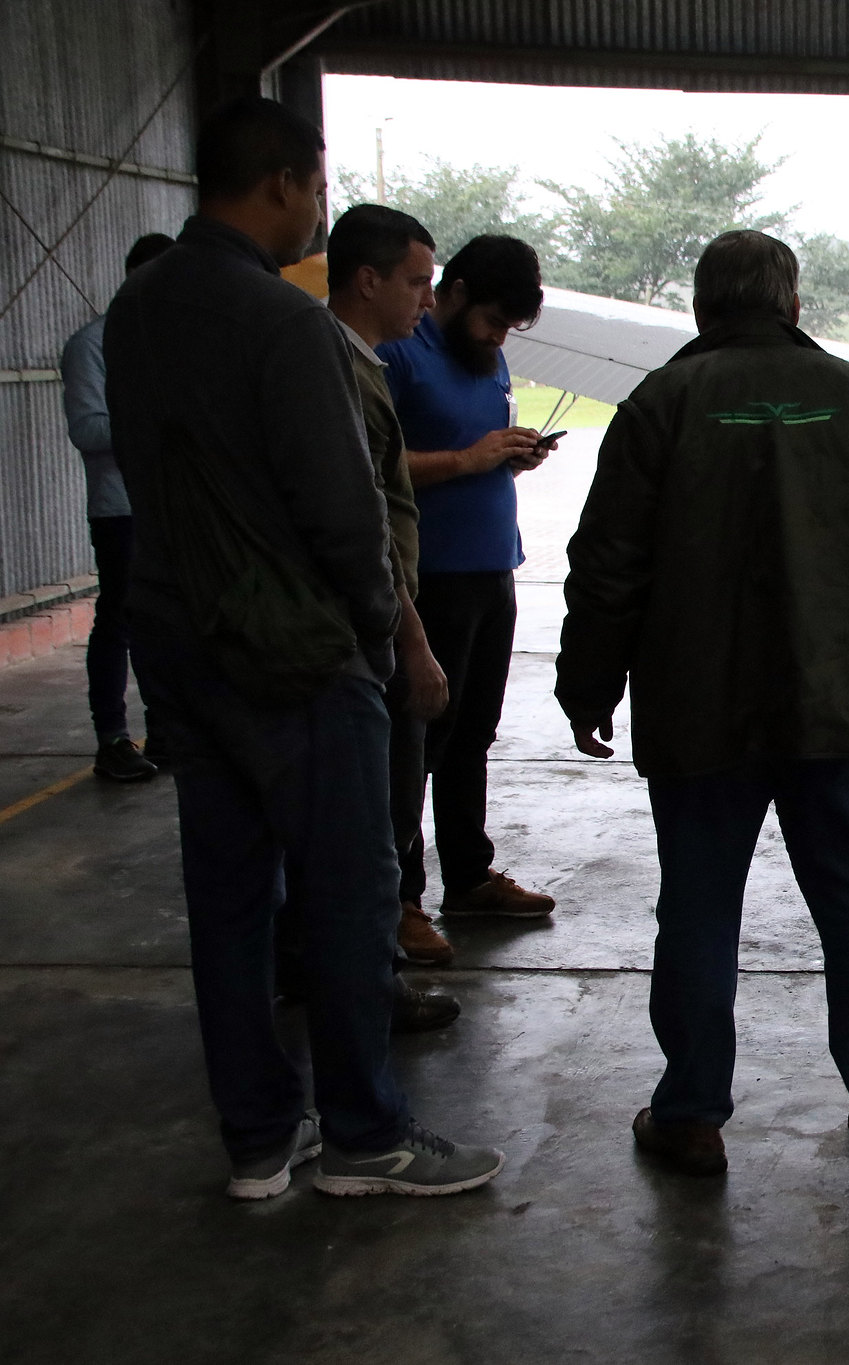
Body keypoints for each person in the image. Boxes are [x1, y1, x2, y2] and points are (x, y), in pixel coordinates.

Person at [104, 94, 502, 1198]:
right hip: (295, 656)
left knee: (231, 900)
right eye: (318, 189)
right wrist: (386, 633)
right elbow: (343, 510)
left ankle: (258, 1143)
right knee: (346, 894)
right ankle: (367, 1137)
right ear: (281, 182)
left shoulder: (136, 308)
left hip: (179, 637)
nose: (318, 213)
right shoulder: (282, 324)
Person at [556, 229, 849, 1174]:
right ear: (795, 305)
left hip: (700, 704)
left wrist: (587, 684)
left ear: (702, 308)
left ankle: (692, 1111)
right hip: (836, 701)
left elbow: (609, 563)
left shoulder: (661, 403)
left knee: (698, 902)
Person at [379, 234, 556, 926]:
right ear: (450, 293)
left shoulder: (490, 358)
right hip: (431, 579)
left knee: (472, 732)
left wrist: (511, 456)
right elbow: (375, 467)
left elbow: (476, 451)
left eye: (509, 326)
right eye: (491, 319)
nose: (497, 334)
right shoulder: (400, 354)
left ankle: (469, 872)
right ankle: (403, 894)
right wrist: (468, 458)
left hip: (492, 569)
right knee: (419, 739)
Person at [323, 202, 463, 1029]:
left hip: (374, 618)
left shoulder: (362, 362)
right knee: (373, 820)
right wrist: (414, 642)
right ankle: (369, 983)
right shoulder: (335, 368)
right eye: (417, 282)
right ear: (368, 280)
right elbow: (360, 518)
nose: (427, 299)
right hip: (366, 630)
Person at [60, 231, 176, 782]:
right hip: (120, 508)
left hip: (172, 500)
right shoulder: (92, 345)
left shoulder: (174, 341)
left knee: (171, 618)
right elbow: (86, 428)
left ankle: (168, 728)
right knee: (120, 619)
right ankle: (111, 737)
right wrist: (154, 425)